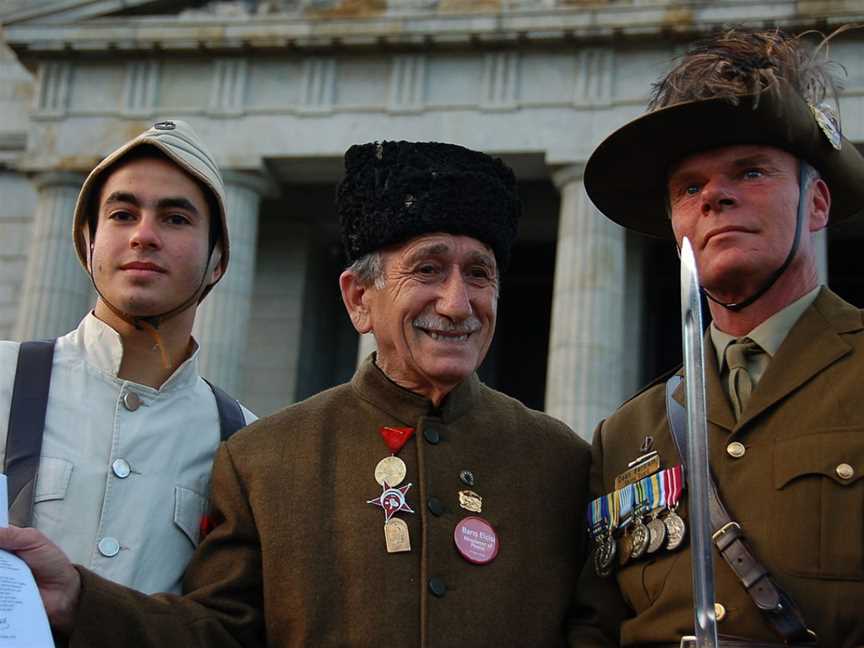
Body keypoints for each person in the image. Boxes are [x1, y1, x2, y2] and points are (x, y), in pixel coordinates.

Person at [1, 140, 591, 646]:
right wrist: (80, 599)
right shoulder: (264, 457)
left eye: (480, 274)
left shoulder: (561, 462)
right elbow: (222, 633)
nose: (457, 303)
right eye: (428, 270)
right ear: (359, 298)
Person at [568, 29, 864, 647]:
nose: (714, 198)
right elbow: (596, 626)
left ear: (817, 204)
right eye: (689, 188)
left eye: (749, 172)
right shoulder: (628, 432)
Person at [0, 120, 255, 595]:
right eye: (122, 214)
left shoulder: (244, 442)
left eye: (176, 218)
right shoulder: (5, 379)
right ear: (88, 242)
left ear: (217, 261)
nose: (144, 235)